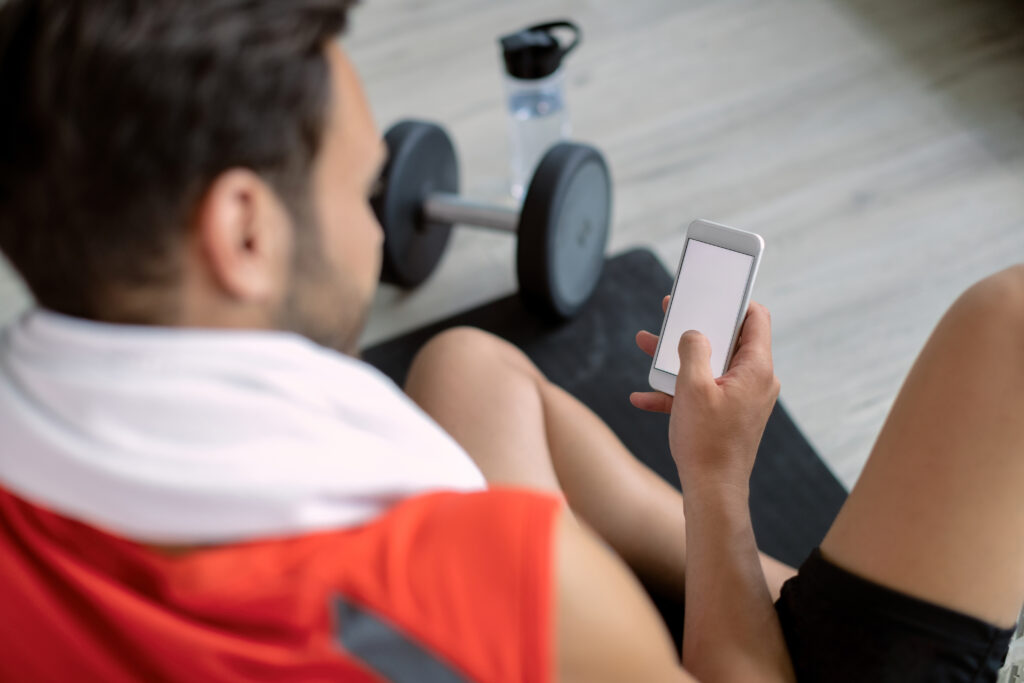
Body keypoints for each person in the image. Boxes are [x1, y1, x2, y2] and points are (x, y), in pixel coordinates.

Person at [0, 1, 1020, 681]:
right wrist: (715, 478)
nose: (376, 233)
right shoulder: (497, 585)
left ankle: (774, 584)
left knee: (465, 367)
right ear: (246, 232)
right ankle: (756, 584)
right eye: (364, 193)